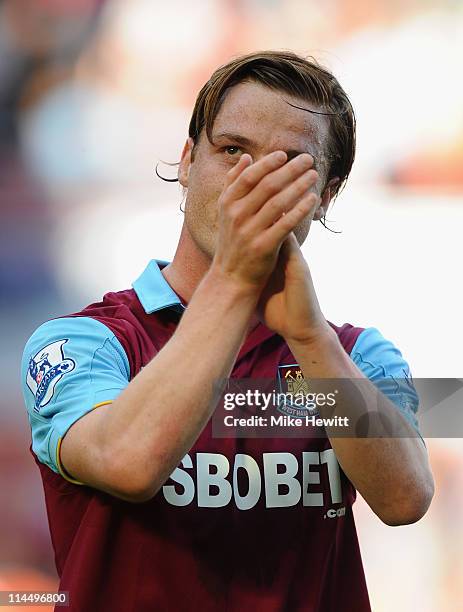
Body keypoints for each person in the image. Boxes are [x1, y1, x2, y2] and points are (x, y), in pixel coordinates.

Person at [21, 50, 434, 612]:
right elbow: (128, 462)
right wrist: (235, 280)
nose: (250, 183)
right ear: (189, 160)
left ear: (326, 196)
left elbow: (406, 498)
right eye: (232, 151)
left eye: (288, 165)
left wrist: (311, 338)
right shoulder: (80, 342)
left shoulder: (361, 353)